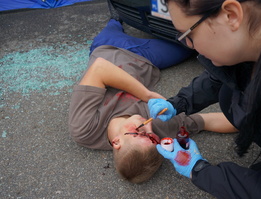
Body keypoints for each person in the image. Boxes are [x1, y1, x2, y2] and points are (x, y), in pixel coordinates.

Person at [147, 0, 261, 198]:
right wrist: (178, 103)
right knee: (229, 95)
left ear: (231, 15)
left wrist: (199, 169)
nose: (189, 45)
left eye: (188, 35)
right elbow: (222, 77)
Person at [68, 19, 232, 183]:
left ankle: (116, 19)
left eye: (139, 133)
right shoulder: (157, 127)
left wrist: (147, 95)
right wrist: (250, 120)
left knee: (114, 24)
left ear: (117, 142)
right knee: (193, 44)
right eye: (153, 138)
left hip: (107, 48)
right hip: (145, 57)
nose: (147, 128)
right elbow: (207, 121)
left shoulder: (85, 129)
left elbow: (100, 68)